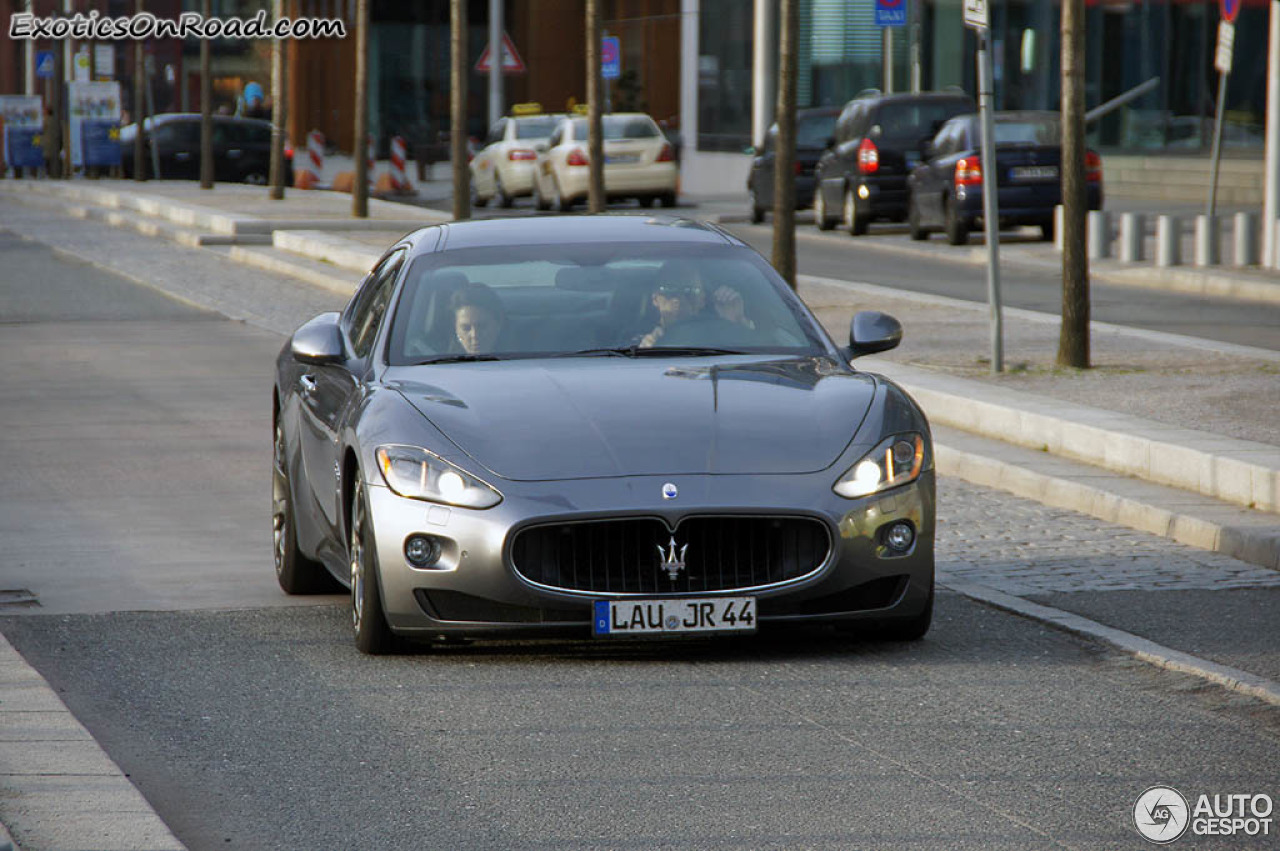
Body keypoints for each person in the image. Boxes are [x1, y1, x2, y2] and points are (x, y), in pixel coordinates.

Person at [636, 260, 707, 348]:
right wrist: (643, 352)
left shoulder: (717, 335)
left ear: (703, 298)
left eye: (689, 291)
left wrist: (727, 316)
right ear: (655, 299)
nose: (679, 299)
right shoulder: (632, 338)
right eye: (670, 290)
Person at [450, 283, 507, 354]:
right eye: (466, 328)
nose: (474, 335)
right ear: (456, 329)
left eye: (482, 327)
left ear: (498, 324)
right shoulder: (439, 363)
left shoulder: (520, 361)